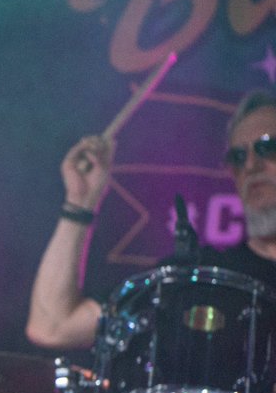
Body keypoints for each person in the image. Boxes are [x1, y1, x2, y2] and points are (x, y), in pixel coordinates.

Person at [26, 89, 276, 351]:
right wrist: (80, 201)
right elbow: (52, 326)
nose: (251, 165)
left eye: (267, 147)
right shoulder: (203, 278)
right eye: (238, 156)